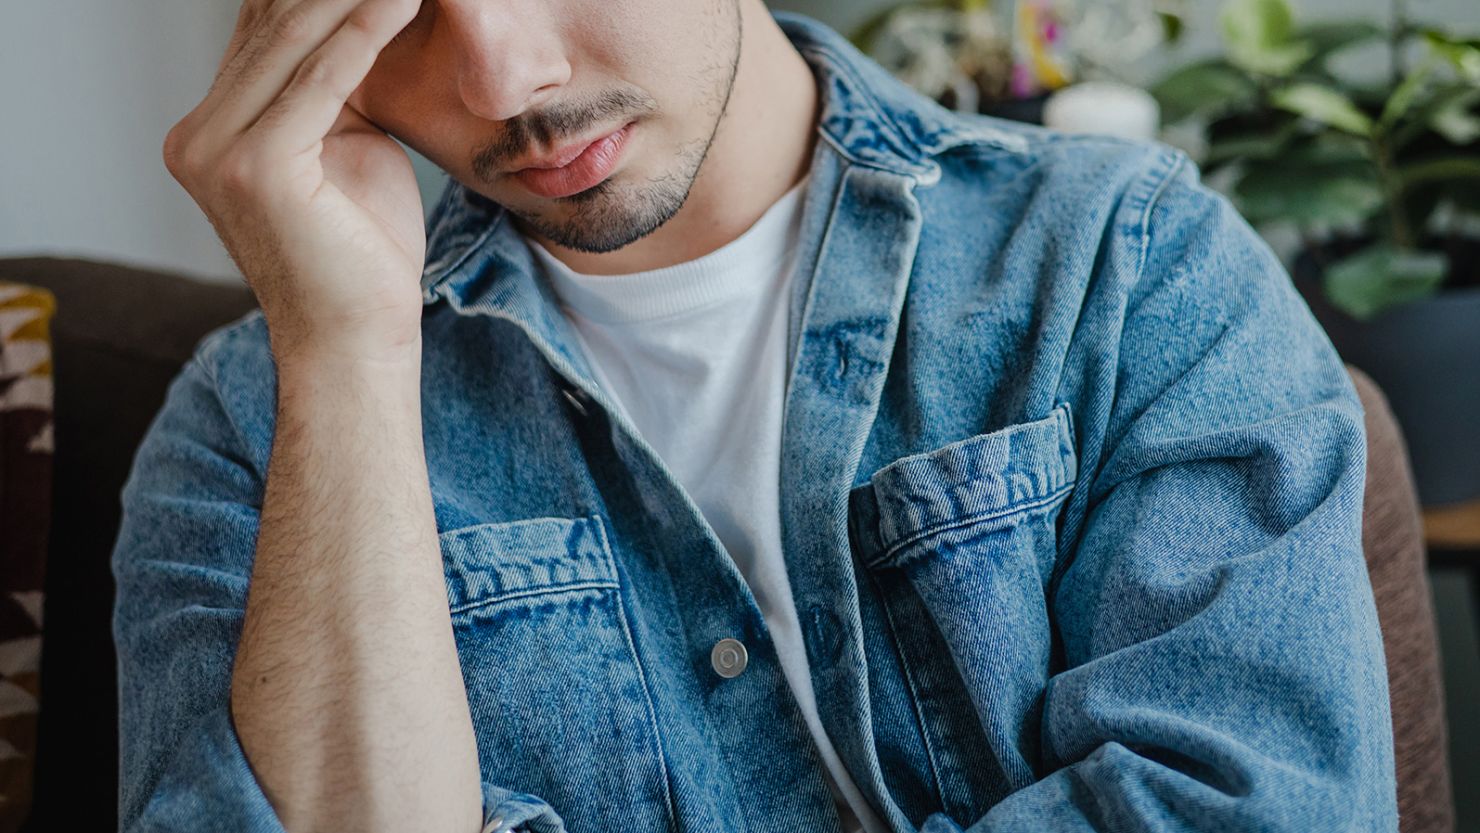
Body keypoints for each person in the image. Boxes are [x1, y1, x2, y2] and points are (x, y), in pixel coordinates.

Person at [112, 0, 1399, 831]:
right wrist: (343, 352)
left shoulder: (1121, 261)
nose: (505, 76)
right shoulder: (254, 421)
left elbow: (1253, 808)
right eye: (388, 9)